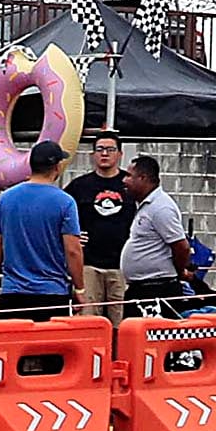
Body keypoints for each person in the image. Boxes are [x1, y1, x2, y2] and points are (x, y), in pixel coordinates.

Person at [0, 138, 84, 316]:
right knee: (49, 344)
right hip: (52, 293)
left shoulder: (6, 198)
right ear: (57, 167)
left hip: (13, 292)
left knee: (14, 343)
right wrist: (79, 288)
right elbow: (73, 250)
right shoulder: (65, 202)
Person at [70, 130, 138, 320]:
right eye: (100, 149)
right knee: (89, 322)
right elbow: (61, 216)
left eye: (110, 149)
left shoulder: (131, 185)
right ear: (93, 154)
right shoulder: (79, 186)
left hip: (122, 267)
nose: (105, 154)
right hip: (89, 266)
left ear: (120, 154)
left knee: (121, 322)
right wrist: (73, 237)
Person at [119, 152, 197, 309]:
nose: (124, 180)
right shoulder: (146, 205)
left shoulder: (161, 207)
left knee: (150, 332)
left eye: (128, 175)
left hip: (157, 289)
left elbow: (181, 246)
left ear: (143, 178)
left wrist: (179, 271)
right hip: (141, 288)